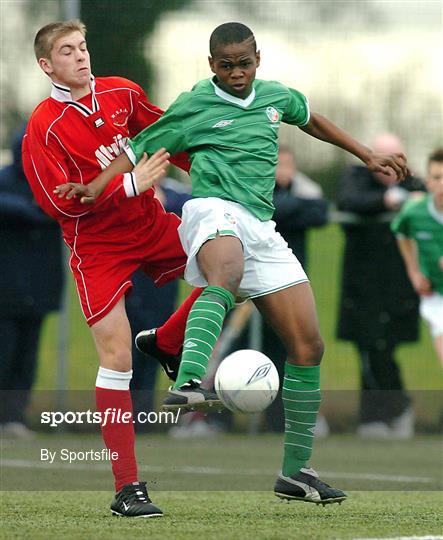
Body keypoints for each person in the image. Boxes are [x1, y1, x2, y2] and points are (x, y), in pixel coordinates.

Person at [58, 22, 409, 506]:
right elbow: (138, 148)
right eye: (226, 65)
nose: (236, 73)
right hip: (212, 210)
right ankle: (188, 382)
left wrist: (366, 153)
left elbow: (312, 120)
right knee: (225, 275)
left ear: (258, 59)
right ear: (211, 65)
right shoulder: (195, 103)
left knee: (308, 345)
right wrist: (96, 187)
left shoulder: (275, 96)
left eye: (244, 63)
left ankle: (296, 474)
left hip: (261, 226)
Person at [22, 20, 206, 518]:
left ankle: (166, 339)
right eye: (66, 51)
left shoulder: (123, 92)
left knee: (237, 266)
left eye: (83, 46)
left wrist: (220, 179)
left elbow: (174, 138)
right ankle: (127, 488)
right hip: (97, 247)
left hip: (151, 225)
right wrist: (128, 183)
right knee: (117, 359)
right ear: (47, 65)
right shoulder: (43, 126)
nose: (80, 57)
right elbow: (59, 207)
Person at [336, 133, 425, 439]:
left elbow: (425, 200)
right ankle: (380, 414)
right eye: (385, 160)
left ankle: (393, 410)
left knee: (384, 347)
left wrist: (410, 201)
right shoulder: (355, 177)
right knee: (368, 347)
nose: (391, 167)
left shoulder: (414, 184)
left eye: (397, 160)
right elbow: (347, 201)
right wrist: (384, 201)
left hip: (399, 284)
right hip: (362, 286)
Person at [0, 126, 64, 438]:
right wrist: (38, 210)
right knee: (4, 352)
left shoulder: (53, 182)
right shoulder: (5, 182)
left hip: (40, 289)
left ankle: (14, 417)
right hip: (6, 289)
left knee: (27, 355)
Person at [128, 177, 193, 428]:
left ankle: (142, 417)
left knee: (155, 349)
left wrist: (163, 202)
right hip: (133, 283)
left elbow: (190, 203)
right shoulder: (129, 188)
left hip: (163, 287)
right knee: (129, 352)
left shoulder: (172, 192)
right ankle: (123, 415)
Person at [391, 148, 443, 367]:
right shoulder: (414, 212)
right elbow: (401, 233)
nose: (442, 184)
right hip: (437, 295)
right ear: (427, 181)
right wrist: (414, 271)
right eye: (437, 177)